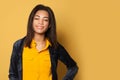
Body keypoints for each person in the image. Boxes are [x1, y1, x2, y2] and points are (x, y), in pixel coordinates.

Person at [8, 4, 78, 80]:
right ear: (31, 21)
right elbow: (12, 74)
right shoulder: (19, 45)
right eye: (37, 18)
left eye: (45, 20)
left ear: (50, 24)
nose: (40, 22)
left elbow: (73, 67)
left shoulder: (55, 47)